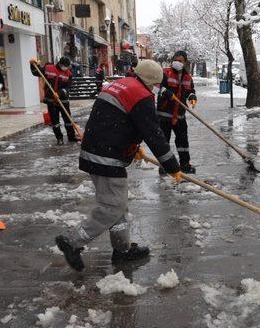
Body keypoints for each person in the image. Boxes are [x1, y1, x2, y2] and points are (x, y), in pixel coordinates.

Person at [55, 60, 182, 271]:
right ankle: (72, 241)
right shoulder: (142, 95)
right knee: (112, 207)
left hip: (96, 150)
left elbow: (120, 120)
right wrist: (171, 165)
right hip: (106, 158)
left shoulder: (121, 84)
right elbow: (154, 134)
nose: (154, 90)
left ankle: (122, 250)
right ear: (151, 81)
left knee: (117, 205)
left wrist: (133, 147)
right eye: (154, 85)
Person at [157, 50, 197, 174]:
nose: (177, 62)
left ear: (185, 63)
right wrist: (164, 91)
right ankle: (164, 166)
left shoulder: (187, 77)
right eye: (175, 60)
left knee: (183, 141)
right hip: (164, 115)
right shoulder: (165, 73)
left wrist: (192, 96)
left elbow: (191, 90)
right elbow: (155, 87)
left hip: (180, 115)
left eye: (180, 61)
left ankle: (185, 165)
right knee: (164, 142)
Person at [30, 56, 78, 145]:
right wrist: (32, 65)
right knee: (55, 121)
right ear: (60, 64)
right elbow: (36, 72)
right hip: (51, 100)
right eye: (64, 66)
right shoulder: (49, 68)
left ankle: (71, 136)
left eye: (67, 66)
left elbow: (68, 88)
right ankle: (59, 138)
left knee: (68, 120)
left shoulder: (68, 74)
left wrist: (59, 93)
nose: (65, 68)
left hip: (63, 100)